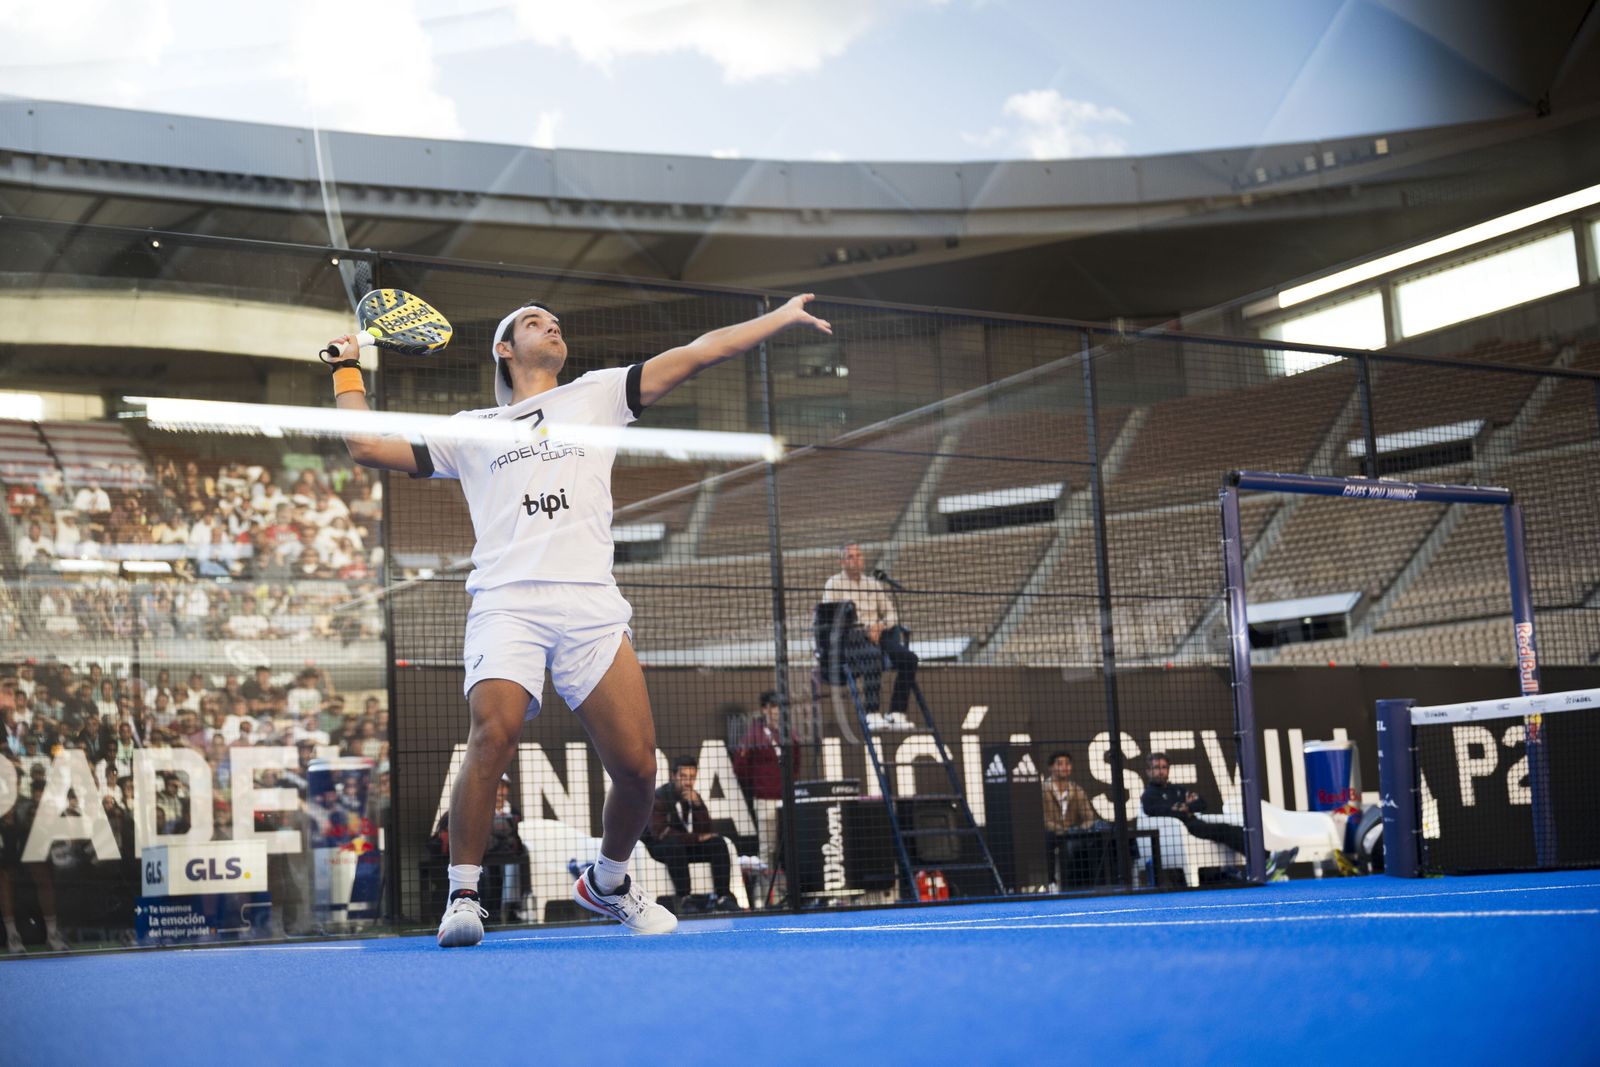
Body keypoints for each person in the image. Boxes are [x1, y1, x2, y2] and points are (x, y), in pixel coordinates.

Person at [324, 292, 831, 946]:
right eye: (531, 320)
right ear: (504, 348)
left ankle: (609, 880)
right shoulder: (471, 426)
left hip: (590, 603)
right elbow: (367, 444)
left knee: (638, 768)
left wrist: (780, 317)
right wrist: (346, 367)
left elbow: (702, 352)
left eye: (554, 320)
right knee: (494, 730)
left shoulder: (598, 393)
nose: (550, 324)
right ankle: (465, 894)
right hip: (507, 601)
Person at [1141, 752, 1295, 881]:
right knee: (1226, 830)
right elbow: (1156, 811)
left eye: (1164, 767)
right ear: (1148, 771)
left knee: (1235, 829)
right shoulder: (1149, 795)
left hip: (1196, 823)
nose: (1161, 772)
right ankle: (1265, 862)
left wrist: (1183, 807)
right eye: (1156, 768)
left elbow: (1201, 803)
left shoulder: (1178, 789)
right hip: (1182, 831)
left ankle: (1264, 863)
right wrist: (1181, 807)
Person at [821, 543, 919, 717]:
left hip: (878, 634)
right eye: (851, 557)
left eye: (859, 556)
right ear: (842, 562)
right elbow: (832, 617)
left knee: (910, 659)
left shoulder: (873, 584)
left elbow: (891, 614)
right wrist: (865, 629)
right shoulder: (833, 583)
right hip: (851, 639)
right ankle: (872, 713)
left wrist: (880, 626)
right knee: (872, 654)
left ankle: (897, 712)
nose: (856, 560)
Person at [644, 756, 739, 913]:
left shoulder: (693, 797)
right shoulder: (659, 797)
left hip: (684, 845)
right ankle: (685, 898)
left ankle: (723, 897)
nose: (688, 782)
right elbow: (661, 833)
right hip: (660, 848)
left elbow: (706, 830)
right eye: (683, 777)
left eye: (692, 777)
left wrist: (698, 805)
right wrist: (695, 838)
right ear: (673, 776)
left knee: (718, 842)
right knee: (674, 844)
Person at [732, 690, 800, 883]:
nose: (776, 712)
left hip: (786, 798)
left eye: (780, 707)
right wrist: (759, 783)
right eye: (772, 707)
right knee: (767, 848)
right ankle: (766, 895)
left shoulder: (789, 732)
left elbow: (796, 763)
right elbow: (740, 766)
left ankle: (789, 889)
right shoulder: (754, 734)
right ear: (764, 709)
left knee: (788, 846)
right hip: (765, 798)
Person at [1040, 750, 1106, 888]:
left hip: (1072, 835)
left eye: (1067, 764)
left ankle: (1090, 884)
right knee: (1048, 838)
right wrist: (1062, 830)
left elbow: (1089, 817)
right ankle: (1052, 882)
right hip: (1052, 834)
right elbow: (1042, 820)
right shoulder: (1042, 790)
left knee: (1091, 840)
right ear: (1051, 767)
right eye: (1060, 764)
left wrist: (1078, 830)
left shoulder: (1077, 790)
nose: (1064, 767)